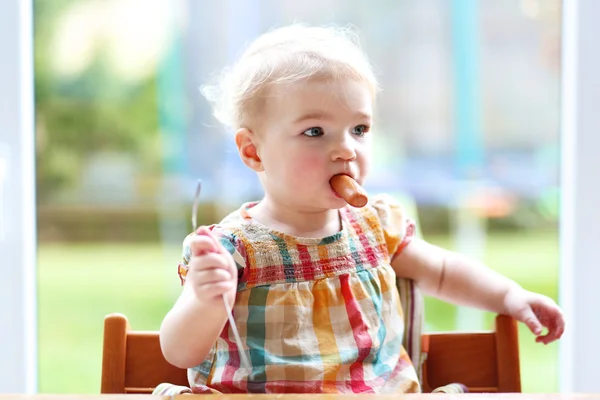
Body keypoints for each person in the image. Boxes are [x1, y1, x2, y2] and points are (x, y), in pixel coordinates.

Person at [158, 23, 564, 394]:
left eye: (359, 129)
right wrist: (205, 299)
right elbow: (180, 353)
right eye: (315, 131)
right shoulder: (230, 249)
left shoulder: (375, 227)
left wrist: (509, 296)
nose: (345, 149)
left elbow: (442, 271)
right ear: (253, 150)